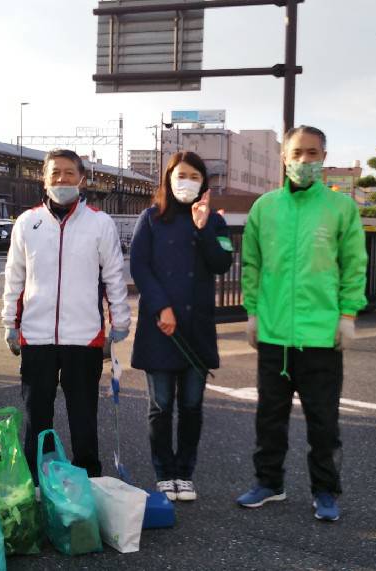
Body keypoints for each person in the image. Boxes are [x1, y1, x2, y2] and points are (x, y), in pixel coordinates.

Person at [236, 126, 368, 522]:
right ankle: (269, 482)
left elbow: (354, 265)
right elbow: (252, 264)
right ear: (284, 157)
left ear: (324, 157)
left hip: (321, 335)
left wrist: (347, 316)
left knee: (323, 422)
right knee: (269, 418)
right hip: (274, 333)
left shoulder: (340, 208)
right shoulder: (265, 207)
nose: (304, 160)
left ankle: (325, 490)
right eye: (297, 153)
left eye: (312, 153)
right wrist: (252, 313)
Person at [1, 149, 131, 481]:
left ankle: (89, 477)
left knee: (83, 415)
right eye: (55, 173)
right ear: (44, 180)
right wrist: (10, 322)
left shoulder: (99, 223)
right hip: (36, 335)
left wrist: (120, 320)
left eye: (69, 172)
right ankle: (37, 479)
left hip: (83, 336)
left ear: (82, 179)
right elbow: (15, 276)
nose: (62, 179)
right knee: (37, 416)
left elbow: (114, 276)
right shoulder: (27, 223)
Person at [129, 151, 233, 502]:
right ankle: (164, 473)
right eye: (180, 175)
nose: (186, 182)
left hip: (196, 328)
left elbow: (222, 262)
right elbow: (140, 266)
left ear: (204, 183)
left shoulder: (214, 221)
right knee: (160, 406)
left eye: (194, 176)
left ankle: (184, 473)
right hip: (160, 327)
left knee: (191, 405)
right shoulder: (151, 218)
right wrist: (162, 307)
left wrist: (203, 229)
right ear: (169, 179)